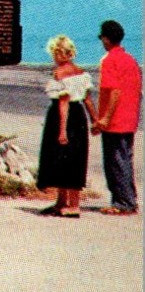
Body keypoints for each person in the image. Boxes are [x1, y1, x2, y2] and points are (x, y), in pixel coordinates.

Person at [86, 19, 140, 216]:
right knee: (125, 159)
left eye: (102, 37)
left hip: (116, 120)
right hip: (129, 118)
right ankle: (128, 199)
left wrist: (105, 119)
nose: (102, 41)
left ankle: (123, 202)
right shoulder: (131, 60)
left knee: (115, 161)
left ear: (107, 39)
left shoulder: (110, 60)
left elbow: (114, 91)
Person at [36, 35, 91, 218]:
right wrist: (96, 120)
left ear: (60, 53)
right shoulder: (81, 72)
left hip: (63, 117)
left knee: (62, 157)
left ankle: (70, 205)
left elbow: (64, 102)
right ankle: (64, 202)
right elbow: (88, 99)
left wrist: (62, 130)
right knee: (75, 158)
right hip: (79, 116)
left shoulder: (60, 73)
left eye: (55, 53)